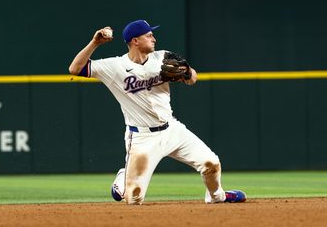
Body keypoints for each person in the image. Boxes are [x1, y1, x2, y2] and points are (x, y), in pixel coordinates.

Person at [69, 19, 246, 205]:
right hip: (142, 139)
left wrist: (186, 72)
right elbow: (75, 69)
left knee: (212, 164)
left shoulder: (163, 57)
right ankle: (124, 177)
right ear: (135, 41)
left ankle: (218, 196)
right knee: (133, 199)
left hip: (172, 130)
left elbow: (193, 78)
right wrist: (95, 42)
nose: (154, 38)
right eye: (149, 35)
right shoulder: (115, 67)